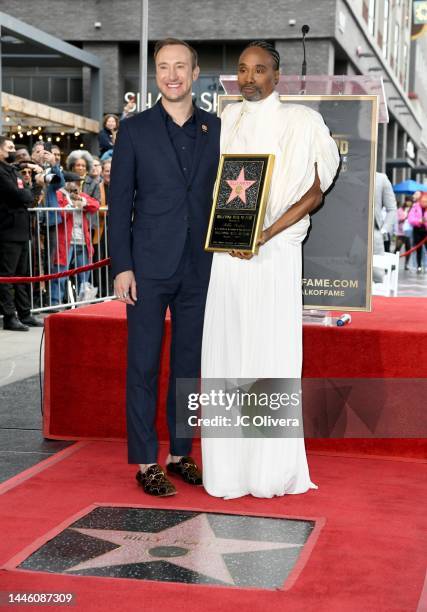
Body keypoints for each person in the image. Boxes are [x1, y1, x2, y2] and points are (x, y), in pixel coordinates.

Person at [201, 41, 340, 499]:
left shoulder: (302, 122)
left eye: (259, 69)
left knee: (268, 355)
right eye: (241, 69)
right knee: (227, 355)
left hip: (274, 255)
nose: (248, 77)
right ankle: (228, 470)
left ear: (276, 77)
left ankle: (267, 469)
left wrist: (264, 233)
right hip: (228, 258)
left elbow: (315, 193)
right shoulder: (225, 122)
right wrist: (231, 234)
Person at [109, 38, 220, 497]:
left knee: (189, 366)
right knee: (143, 364)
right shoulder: (134, 131)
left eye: (180, 67)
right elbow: (119, 206)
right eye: (162, 67)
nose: (171, 75)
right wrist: (122, 266)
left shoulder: (218, 128)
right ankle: (144, 461)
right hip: (148, 267)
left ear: (196, 73)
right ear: (155, 75)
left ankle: (179, 453)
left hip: (202, 265)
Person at [0, 136, 44, 331]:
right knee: (7, 277)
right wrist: (29, 191)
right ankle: (9, 316)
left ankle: (24, 313)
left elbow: (26, 195)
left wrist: (31, 189)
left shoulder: (13, 171)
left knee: (23, 275)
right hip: (7, 231)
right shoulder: (1, 172)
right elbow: (19, 195)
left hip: (21, 230)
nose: (13, 151)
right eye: (9, 147)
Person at [50, 181, 100, 305]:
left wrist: (82, 201)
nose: (74, 185)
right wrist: (71, 204)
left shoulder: (81, 194)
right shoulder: (59, 195)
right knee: (61, 274)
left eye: (77, 183)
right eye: (71, 182)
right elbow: (59, 213)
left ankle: (83, 303)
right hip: (65, 240)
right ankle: (56, 303)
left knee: (84, 276)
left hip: (83, 241)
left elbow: (96, 205)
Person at [408, 190, 427, 272]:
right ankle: (419, 266)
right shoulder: (415, 207)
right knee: (418, 249)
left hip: (426, 230)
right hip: (417, 230)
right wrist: (419, 221)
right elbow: (410, 219)